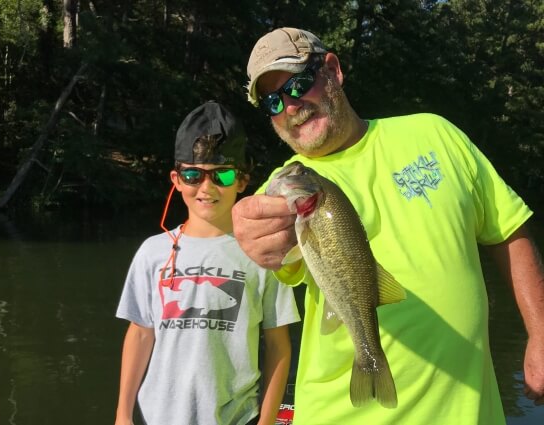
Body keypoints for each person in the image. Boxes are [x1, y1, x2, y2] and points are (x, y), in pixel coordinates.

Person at [231, 27, 544, 424]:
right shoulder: (284, 189)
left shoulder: (434, 134)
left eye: (297, 85)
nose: (290, 107)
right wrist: (251, 234)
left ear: (333, 70)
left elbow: (509, 230)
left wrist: (540, 331)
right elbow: (271, 250)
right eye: (273, 101)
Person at [114, 101, 301, 425]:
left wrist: (267, 421)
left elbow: (278, 348)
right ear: (176, 179)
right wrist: (122, 415)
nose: (206, 188)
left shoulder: (262, 254)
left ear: (242, 180)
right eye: (192, 175)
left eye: (221, 175)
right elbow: (140, 334)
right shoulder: (152, 252)